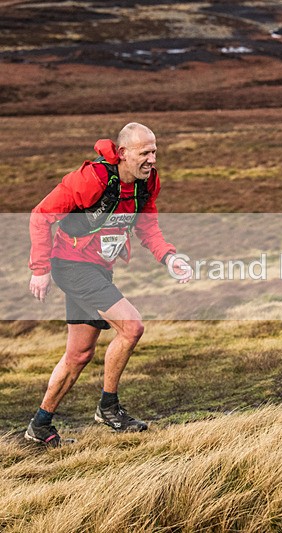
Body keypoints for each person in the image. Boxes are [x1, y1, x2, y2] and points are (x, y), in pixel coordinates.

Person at [26, 122, 192, 446]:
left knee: (79, 354)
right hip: (72, 266)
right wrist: (39, 269)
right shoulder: (92, 179)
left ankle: (40, 425)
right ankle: (109, 408)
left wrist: (169, 257)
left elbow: (148, 228)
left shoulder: (146, 184)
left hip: (99, 269)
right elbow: (40, 215)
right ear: (123, 153)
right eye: (145, 153)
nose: (152, 159)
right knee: (132, 327)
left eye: (154, 152)